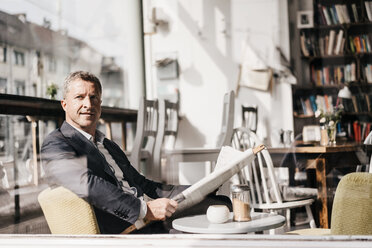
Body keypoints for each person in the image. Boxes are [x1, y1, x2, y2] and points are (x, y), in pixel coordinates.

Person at [41, 71, 231, 234]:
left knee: (222, 202)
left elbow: (142, 184)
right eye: (79, 97)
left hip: (147, 216)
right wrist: (144, 210)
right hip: (128, 226)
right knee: (212, 222)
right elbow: (86, 182)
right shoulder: (56, 143)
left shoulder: (108, 145)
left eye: (94, 97)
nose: (88, 104)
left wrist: (200, 188)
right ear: (64, 104)